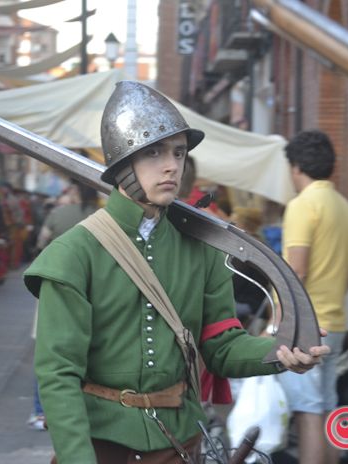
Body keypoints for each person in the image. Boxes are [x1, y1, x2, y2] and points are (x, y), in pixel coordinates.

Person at [23, 81, 329, 463]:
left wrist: (282, 353)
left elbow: (221, 347)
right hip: (102, 446)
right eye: (153, 152)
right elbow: (57, 376)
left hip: (179, 443)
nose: (172, 165)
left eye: (179, 152)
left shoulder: (200, 248)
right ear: (124, 164)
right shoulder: (73, 254)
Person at [276, 130, 348, 464]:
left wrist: (277, 323)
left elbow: (295, 274)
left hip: (305, 329)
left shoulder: (302, 206)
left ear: (296, 168)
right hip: (336, 323)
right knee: (326, 409)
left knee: (307, 413)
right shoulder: (345, 208)